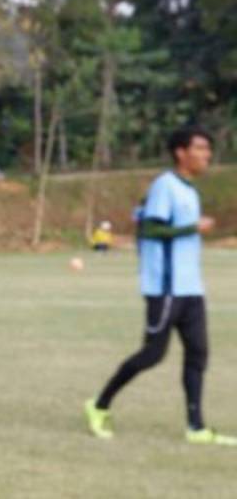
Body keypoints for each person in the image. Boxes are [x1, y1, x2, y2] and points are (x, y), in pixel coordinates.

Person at [84, 125, 234, 446]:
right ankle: (99, 405)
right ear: (181, 152)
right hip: (166, 288)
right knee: (153, 354)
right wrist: (192, 228)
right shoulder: (165, 186)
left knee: (198, 353)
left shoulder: (190, 190)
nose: (206, 155)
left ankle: (196, 427)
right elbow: (150, 229)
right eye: (200, 148)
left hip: (191, 288)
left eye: (208, 149)